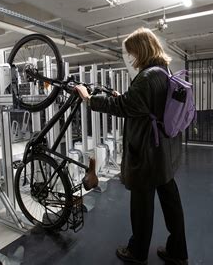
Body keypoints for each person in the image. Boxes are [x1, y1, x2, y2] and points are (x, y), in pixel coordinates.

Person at [75, 27, 188, 265]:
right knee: (171, 201)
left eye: (132, 53)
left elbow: (124, 107)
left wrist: (88, 99)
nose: (131, 58)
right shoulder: (162, 72)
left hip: (147, 151)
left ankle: (137, 252)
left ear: (141, 50)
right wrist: (124, 96)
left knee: (141, 205)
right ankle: (178, 251)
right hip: (164, 150)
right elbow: (141, 104)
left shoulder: (147, 77)